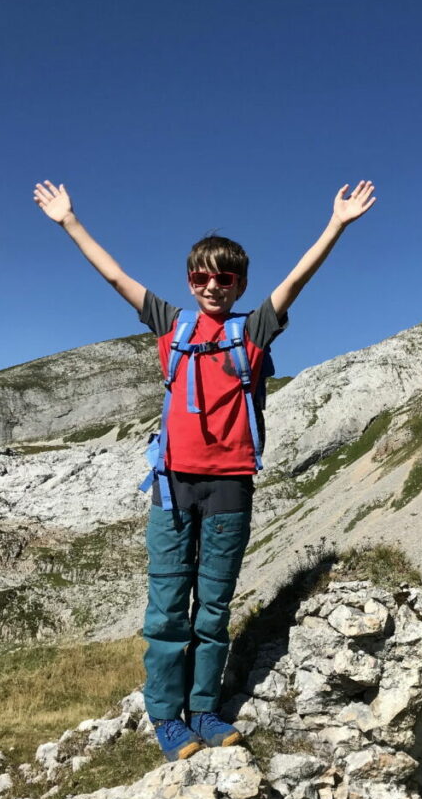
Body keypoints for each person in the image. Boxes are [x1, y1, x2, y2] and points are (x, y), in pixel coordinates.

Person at [33, 178, 376, 760]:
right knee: (168, 608)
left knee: (213, 610)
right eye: (201, 277)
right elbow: (116, 277)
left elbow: (296, 280)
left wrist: (336, 225)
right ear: (189, 281)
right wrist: (69, 221)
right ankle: (166, 717)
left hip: (231, 487)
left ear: (239, 283)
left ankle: (203, 711)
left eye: (224, 278)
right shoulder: (172, 326)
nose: (212, 286)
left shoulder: (255, 329)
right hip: (172, 486)